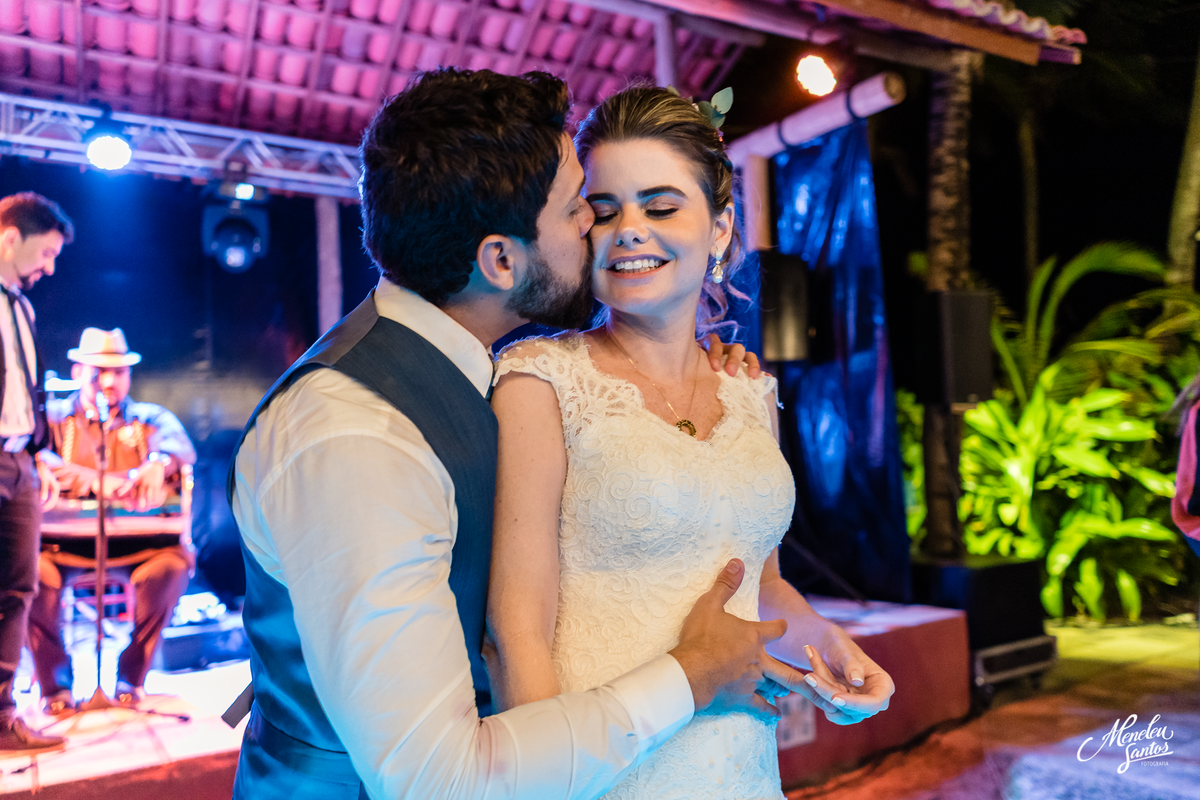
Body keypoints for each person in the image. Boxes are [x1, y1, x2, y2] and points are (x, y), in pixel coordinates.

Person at [227, 68, 804, 800]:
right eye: (580, 208)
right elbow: (439, 779)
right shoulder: (356, 437)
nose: (601, 228)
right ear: (501, 260)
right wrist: (692, 675)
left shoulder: (464, 375)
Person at [488, 86, 896, 798]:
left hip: (739, 769)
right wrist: (549, 781)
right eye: (604, 210)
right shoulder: (539, 381)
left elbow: (762, 585)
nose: (629, 230)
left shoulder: (752, 392)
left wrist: (833, 646)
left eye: (661, 207)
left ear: (719, 228)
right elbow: (515, 629)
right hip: (607, 776)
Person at [28, 327, 196, 715]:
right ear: (77, 372)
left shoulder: (148, 419)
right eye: (98, 372)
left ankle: (130, 679)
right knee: (28, 573)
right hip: (59, 548)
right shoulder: (51, 419)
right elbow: (31, 453)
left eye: (118, 372)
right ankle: (55, 685)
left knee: (173, 566)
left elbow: (179, 445)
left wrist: (158, 462)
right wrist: (102, 482)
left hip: (139, 548)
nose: (109, 382)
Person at [0, 191, 71, 752]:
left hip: (20, 461)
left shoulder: (21, 307)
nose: (49, 268)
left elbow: (25, 389)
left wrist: (40, 452)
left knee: (17, 589)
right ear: (9, 238)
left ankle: (3, 715)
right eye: (45, 253)